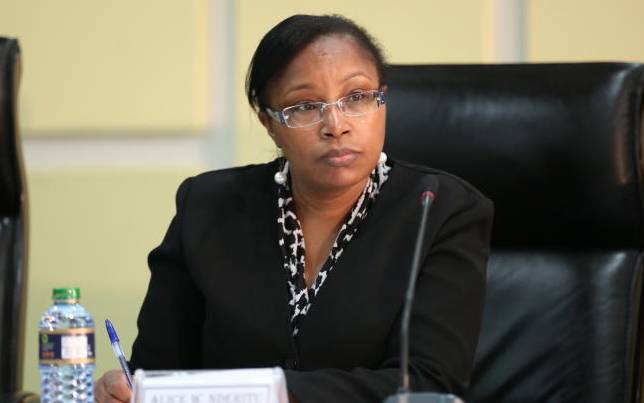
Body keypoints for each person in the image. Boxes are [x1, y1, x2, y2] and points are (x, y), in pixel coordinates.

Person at [95, 14, 493, 403]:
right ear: (269, 124)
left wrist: (275, 393)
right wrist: (124, 387)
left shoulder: (439, 210)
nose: (335, 125)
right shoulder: (207, 207)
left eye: (357, 97)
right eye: (304, 106)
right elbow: (158, 371)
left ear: (383, 101)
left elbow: (429, 383)